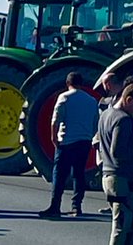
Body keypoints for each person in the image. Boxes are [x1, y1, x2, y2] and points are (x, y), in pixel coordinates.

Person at [39, 72, 100, 218]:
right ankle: (76, 206)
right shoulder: (91, 100)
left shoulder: (64, 97)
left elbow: (56, 120)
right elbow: (95, 123)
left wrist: (54, 138)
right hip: (84, 141)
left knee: (59, 175)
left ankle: (55, 206)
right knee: (79, 174)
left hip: (66, 141)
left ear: (67, 83)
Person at [98, 83, 133, 245]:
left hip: (108, 174)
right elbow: (118, 151)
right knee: (123, 225)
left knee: (122, 222)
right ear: (129, 100)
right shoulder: (123, 120)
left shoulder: (106, 114)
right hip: (121, 178)